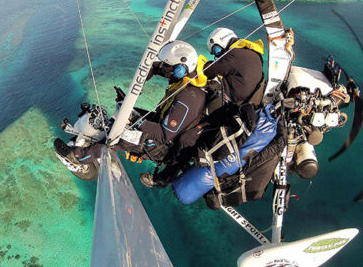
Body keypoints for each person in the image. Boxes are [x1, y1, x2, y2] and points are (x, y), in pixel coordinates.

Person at [139, 27, 265, 188]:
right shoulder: (251, 52)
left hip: (229, 113)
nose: (217, 54)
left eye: (216, 50)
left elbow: (208, 70)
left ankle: (165, 177)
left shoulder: (233, 55)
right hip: (236, 107)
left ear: (222, 42)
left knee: (188, 137)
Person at [54, 40, 208, 170]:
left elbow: (164, 135)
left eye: (168, 66)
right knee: (123, 114)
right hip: (160, 124)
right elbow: (155, 68)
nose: (164, 69)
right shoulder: (184, 79)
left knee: (118, 136)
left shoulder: (189, 98)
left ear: (181, 69)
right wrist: (132, 96)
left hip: (164, 147)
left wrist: (136, 120)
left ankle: (79, 158)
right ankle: (98, 140)